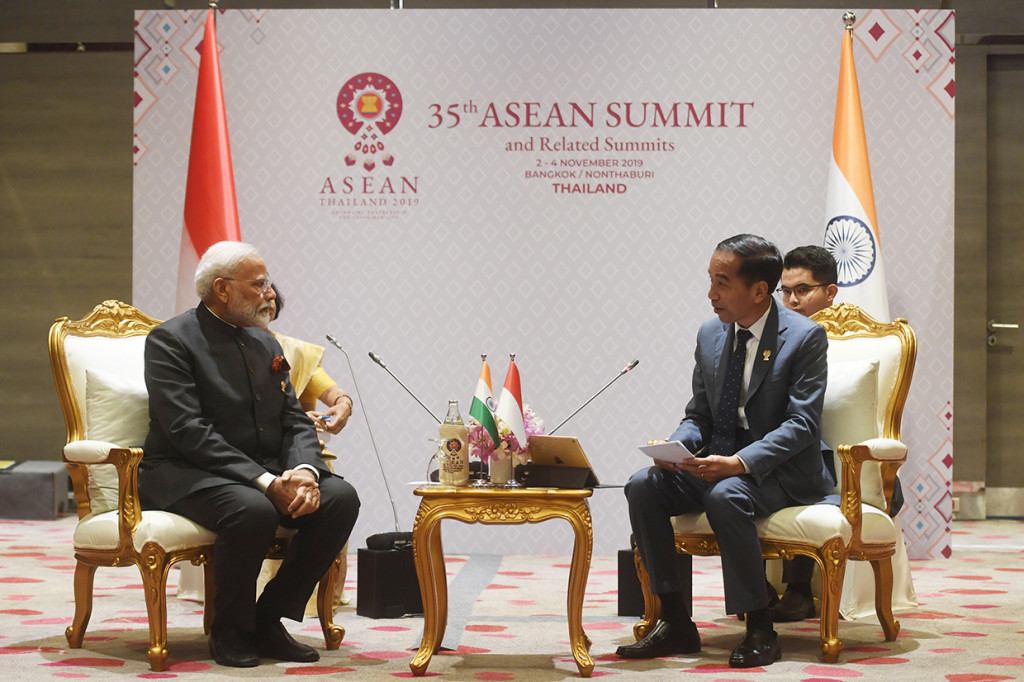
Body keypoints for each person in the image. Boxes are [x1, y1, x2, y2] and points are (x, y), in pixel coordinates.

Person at [616, 234, 834, 669]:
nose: (710, 293)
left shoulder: (805, 338)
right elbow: (699, 414)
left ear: (758, 290)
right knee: (643, 486)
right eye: (710, 280)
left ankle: (759, 628)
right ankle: (675, 621)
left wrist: (740, 462)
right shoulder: (711, 334)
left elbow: (803, 425)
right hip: (717, 460)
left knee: (725, 494)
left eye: (722, 282)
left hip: (779, 472)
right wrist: (676, 447)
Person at [139, 241, 360, 668]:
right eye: (259, 285)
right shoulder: (170, 341)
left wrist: (304, 473)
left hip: (261, 473)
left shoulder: (266, 344)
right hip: (183, 471)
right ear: (222, 289)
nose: (270, 293)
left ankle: (267, 618)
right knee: (253, 508)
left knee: (340, 498)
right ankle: (231, 628)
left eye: (269, 283)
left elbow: (295, 420)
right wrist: (267, 483)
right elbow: (188, 431)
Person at [771, 245, 904, 622]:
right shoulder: (774, 341)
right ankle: (757, 590)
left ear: (830, 292)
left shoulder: (859, 346)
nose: (792, 300)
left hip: (848, 459)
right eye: (786, 290)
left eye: (803, 290)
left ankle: (798, 590)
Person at [268, 285, 353, 435]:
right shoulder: (223, 350)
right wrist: (297, 420)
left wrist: (344, 404)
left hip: (297, 451)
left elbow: (333, 392)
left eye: (270, 291)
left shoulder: (296, 350)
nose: (269, 296)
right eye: (258, 289)